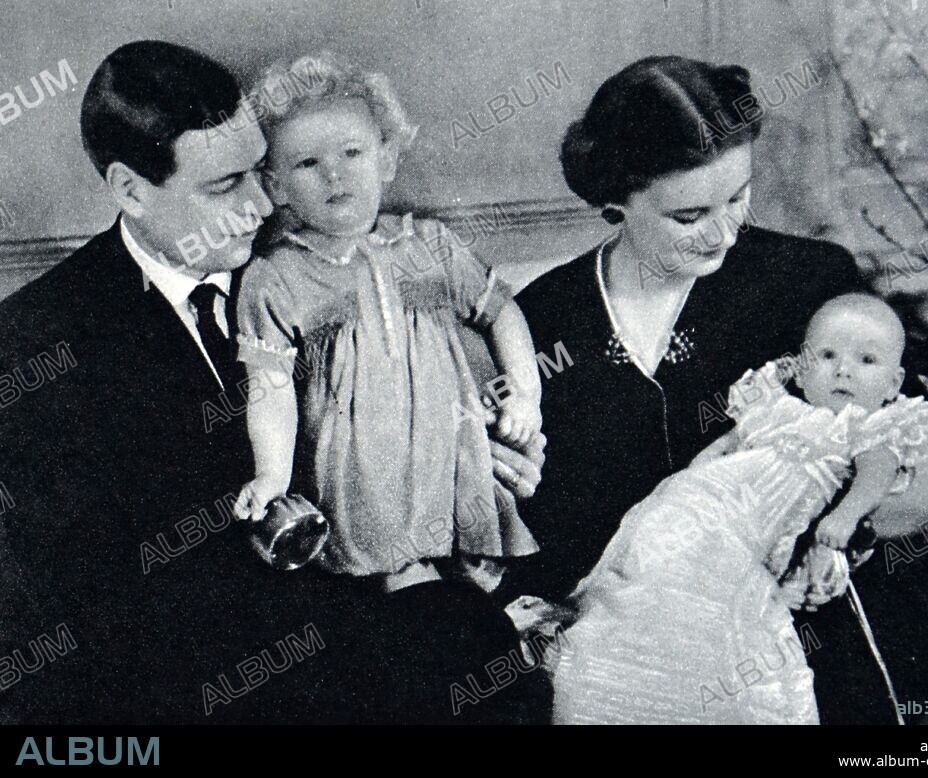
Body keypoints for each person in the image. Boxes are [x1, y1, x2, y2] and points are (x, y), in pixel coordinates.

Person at [0, 40, 548, 725]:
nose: (265, 203)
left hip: (415, 619)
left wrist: (496, 446)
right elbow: (61, 634)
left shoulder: (346, 249)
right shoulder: (33, 345)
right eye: (225, 186)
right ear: (130, 189)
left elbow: (460, 387)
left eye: (261, 170)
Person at [501, 55, 928, 724]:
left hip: (795, 639)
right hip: (617, 646)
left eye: (738, 198)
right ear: (614, 199)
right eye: (689, 215)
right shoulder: (545, 319)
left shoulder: (809, 286)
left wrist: (819, 542)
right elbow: (541, 523)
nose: (725, 232)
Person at [547, 294, 928, 724]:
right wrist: (687, 482)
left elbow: (877, 475)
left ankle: (672, 695)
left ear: (893, 383)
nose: (843, 369)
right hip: (704, 501)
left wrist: (845, 516)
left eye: (866, 360)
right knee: (652, 570)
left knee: (729, 612)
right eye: (827, 355)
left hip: (755, 531)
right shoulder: (775, 407)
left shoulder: (869, 427)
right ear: (802, 365)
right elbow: (727, 445)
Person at [230, 53, 541, 594]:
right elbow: (270, 385)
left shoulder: (429, 245)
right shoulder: (276, 276)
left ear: (387, 158)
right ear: (275, 185)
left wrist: (525, 395)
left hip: (451, 451)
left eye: (352, 152)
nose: (335, 173)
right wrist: (273, 475)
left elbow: (503, 312)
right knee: (395, 586)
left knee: (476, 581)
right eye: (307, 163)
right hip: (358, 472)